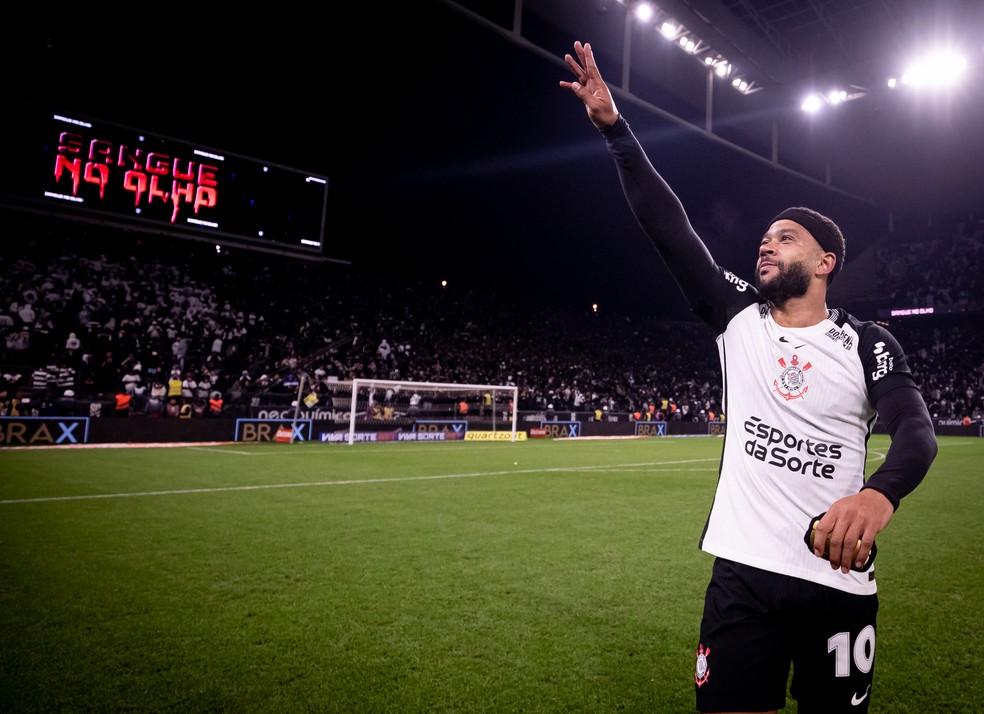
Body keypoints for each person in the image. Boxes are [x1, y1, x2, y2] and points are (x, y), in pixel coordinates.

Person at [560, 40, 937, 713]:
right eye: (765, 236)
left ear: (825, 262)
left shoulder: (868, 342)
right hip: (743, 579)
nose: (768, 242)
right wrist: (616, 132)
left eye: (786, 237)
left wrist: (878, 498)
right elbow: (669, 229)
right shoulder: (736, 316)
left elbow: (915, 430)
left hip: (838, 584)